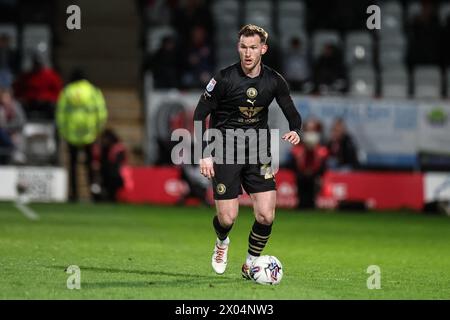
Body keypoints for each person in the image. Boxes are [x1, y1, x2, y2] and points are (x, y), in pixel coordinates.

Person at [193, 25, 303, 278]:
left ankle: (251, 263)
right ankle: (222, 243)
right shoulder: (223, 79)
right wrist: (205, 153)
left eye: (253, 47)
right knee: (227, 219)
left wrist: (296, 129)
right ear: (238, 48)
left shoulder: (274, 80)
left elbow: (291, 110)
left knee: (265, 215)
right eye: (243, 47)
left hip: (258, 150)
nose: (248, 53)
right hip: (225, 149)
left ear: (263, 49)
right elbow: (200, 114)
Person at [56, 69, 107, 201]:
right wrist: (98, 129)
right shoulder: (92, 91)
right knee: (91, 165)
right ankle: (93, 193)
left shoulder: (67, 91)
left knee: (72, 165)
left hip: (71, 135)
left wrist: (63, 131)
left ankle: (73, 194)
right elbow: (101, 112)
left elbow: (60, 114)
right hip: (89, 134)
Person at [288, 119, 328, 209]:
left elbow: (323, 167)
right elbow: (292, 165)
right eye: (308, 130)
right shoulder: (297, 149)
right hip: (301, 177)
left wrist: (314, 173)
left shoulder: (322, 150)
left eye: (313, 130)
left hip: (314, 177)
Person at [13, 53, 63, 120]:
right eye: (35, 63)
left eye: (38, 64)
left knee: (54, 108)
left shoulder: (51, 75)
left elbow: (58, 90)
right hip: (30, 102)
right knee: (18, 106)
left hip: (46, 103)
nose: (37, 66)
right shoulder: (26, 76)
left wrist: (49, 98)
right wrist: (22, 98)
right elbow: (18, 89)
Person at [91, 129, 127, 202]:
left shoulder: (117, 148)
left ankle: (112, 197)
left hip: (115, 174)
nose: (104, 141)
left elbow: (118, 163)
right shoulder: (102, 148)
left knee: (111, 177)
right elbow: (97, 159)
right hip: (104, 173)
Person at [0, 87, 26, 164]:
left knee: (17, 137)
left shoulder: (16, 106)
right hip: (3, 133)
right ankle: (13, 149)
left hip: (15, 132)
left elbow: (21, 122)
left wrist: (11, 130)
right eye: (3, 97)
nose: (5, 99)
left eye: (7, 97)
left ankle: (15, 151)